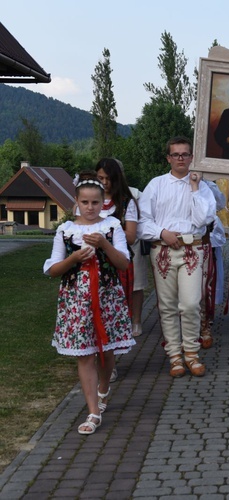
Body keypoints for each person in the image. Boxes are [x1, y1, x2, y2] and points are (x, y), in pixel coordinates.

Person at [43, 172, 135, 435]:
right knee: (84, 354)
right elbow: (52, 269)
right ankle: (93, 411)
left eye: (95, 203)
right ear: (76, 202)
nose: (90, 208)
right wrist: (74, 260)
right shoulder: (65, 230)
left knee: (106, 351)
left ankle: (103, 389)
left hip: (107, 296)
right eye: (85, 203)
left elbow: (123, 263)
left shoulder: (112, 226)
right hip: (76, 300)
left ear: (103, 202)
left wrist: (105, 244)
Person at [138, 136, 216, 377]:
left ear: (192, 157)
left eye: (185, 154)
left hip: (193, 248)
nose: (181, 158)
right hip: (162, 249)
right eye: (176, 155)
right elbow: (142, 222)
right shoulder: (156, 185)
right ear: (168, 158)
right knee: (168, 306)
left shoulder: (203, 187)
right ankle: (175, 356)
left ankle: (191, 353)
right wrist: (162, 232)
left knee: (191, 303)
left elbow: (204, 219)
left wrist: (194, 187)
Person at [93, 158, 138, 383]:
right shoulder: (90, 199)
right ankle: (95, 358)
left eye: (108, 179)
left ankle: (110, 362)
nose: (104, 183)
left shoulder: (125, 201)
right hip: (91, 262)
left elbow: (131, 236)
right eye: (100, 178)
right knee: (93, 311)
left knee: (113, 312)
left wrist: (106, 232)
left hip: (116, 262)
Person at [199, 180, 227, 348]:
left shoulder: (209, 185)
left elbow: (220, 203)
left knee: (206, 287)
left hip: (206, 247)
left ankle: (205, 322)